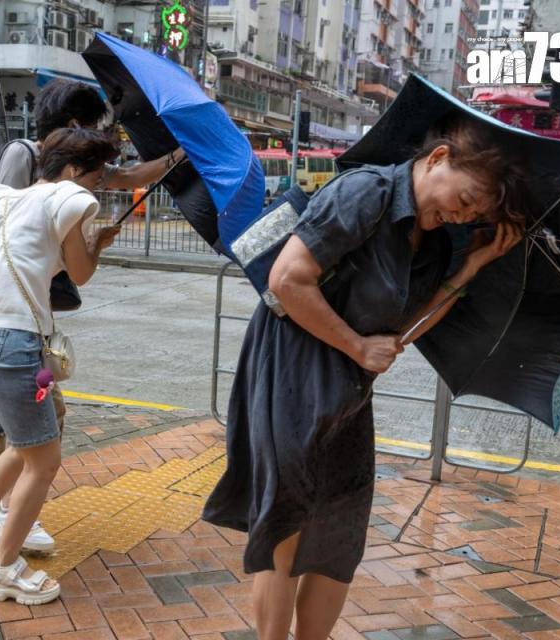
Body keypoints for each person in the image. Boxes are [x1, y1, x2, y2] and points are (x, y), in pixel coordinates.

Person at [201, 114, 528, 640]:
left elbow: (406, 327)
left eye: (476, 213)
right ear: (439, 158)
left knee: (339, 535)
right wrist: (356, 345)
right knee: (285, 525)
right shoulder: (367, 193)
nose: (463, 215)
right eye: (466, 199)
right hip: (291, 370)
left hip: (348, 391)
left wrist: (472, 268)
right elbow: (289, 279)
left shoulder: (438, 242)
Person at [0, 78, 186, 552]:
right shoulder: (37, 167)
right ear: (76, 125)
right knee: (28, 442)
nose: (103, 179)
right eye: (94, 126)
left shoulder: (69, 174)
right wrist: (5, 295)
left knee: (16, 434)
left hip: (5, 332)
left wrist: (175, 158)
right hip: (12, 332)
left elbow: (128, 177)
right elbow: (3, 241)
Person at [0, 127, 122, 604]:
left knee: (20, 446)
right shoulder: (68, 198)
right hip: (20, 350)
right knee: (45, 460)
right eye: (97, 175)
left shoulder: (2, 202)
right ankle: (3, 570)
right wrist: (97, 243)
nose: (97, 186)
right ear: (70, 171)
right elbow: (81, 273)